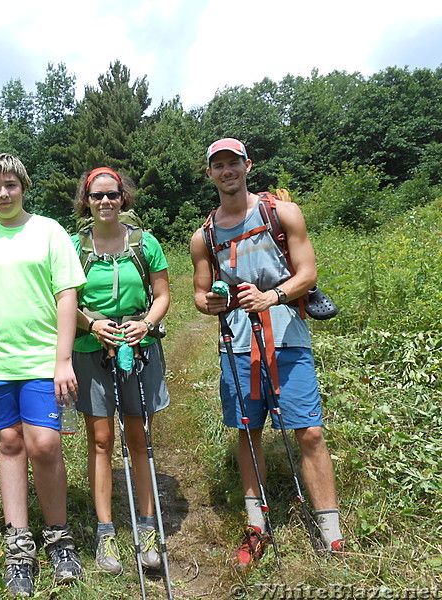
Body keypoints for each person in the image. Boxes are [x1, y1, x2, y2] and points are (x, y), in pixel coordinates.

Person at [190, 138, 344, 569]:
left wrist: (272, 296)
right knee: (248, 430)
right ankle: (257, 526)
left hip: (288, 335)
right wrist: (212, 304)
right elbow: (200, 295)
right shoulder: (203, 235)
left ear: (247, 166)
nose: (226, 171)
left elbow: (307, 272)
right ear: (210, 174)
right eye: (218, 165)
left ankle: (330, 532)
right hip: (236, 343)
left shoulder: (282, 212)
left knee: (309, 431)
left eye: (233, 163)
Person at [0, 153, 86, 597]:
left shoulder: (49, 231)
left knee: (45, 444)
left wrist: (63, 359)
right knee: (9, 443)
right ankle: (19, 547)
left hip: (41, 360)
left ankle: (58, 537)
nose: (3, 194)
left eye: (10, 185)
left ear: (23, 186)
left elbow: (67, 294)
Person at [70, 167, 171, 574]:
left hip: (139, 349)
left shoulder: (146, 244)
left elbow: (162, 295)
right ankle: (106, 531)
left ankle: (146, 527)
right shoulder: (74, 247)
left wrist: (145, 324)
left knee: (138, 436)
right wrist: (92, 324)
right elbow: (65, 302)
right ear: (86, 201)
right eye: (97, 196)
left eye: (112, 194)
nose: (105, 202)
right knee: (100, 439)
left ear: (123, 197)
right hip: (91, 349)